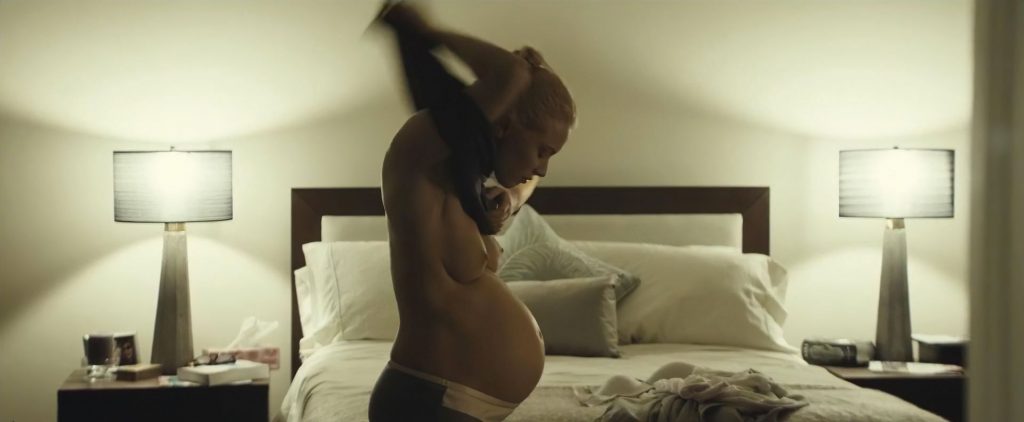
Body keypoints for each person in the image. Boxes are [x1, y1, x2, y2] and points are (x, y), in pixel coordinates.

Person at [367, 2, 576, 421]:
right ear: (503, 125)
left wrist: (509, 199)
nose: (542, 168)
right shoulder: (416, 156)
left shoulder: (469, 186)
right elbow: (510, 75)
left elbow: (527, 183)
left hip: (456, 402)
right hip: (428, 400)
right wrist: (424, 31)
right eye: (541, 151)